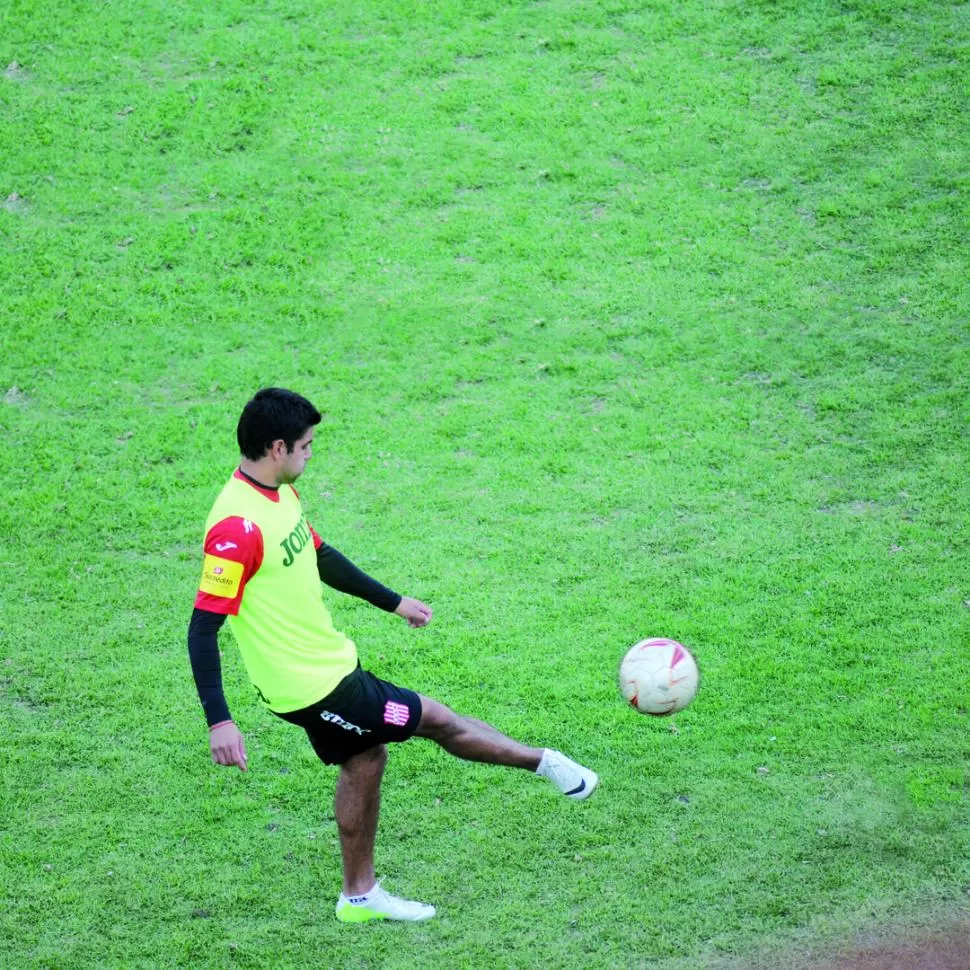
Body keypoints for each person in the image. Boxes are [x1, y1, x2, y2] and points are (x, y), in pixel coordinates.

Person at [188, 387, 598, 923]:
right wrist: (220, 720)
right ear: (277, 446)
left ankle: (358, 896)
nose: (312, 454)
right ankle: (548, 765)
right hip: (314, 685)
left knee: (365, 758)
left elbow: (320, 555)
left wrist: (393, 602)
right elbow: (202, 630)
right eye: (307, 446)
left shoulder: (276, 493)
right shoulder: (235, 531)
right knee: (437, 720)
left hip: (324, 665)